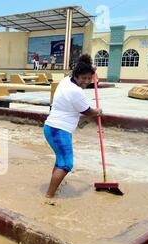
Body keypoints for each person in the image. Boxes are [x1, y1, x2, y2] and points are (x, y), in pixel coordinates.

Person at [43, 54, 102, 199]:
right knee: (66, 164)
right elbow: (87, 111)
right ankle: (49, 196)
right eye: (83, 78)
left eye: (89, 78)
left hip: (53, 128)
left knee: (60, 161)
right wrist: (97, 112)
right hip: (59, 130)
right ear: (76, 76)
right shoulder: (76, 92)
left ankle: (52, 192)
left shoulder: (65, 81)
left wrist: (91, 71)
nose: (86, 81)